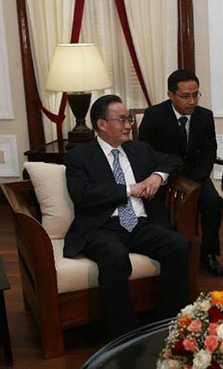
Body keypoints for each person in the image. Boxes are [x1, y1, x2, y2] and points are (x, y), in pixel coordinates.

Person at [64, 94, 191, 339]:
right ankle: (126, 336)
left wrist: (157, 176)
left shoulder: (138, 149)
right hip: (102, 227)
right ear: (102, 124)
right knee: (115, 256)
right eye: (122, 119)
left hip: (140, 224)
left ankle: (168, 325)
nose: (129, 124)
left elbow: (173, 160)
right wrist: (128, 190)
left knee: (179, 245)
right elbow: (82, 194)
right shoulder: (79, 157)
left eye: (129, 118)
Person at [139, 69, 223, 276]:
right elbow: (145, 151)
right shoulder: (154, 115)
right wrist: (165, 176)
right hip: (165, 176)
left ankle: (208, 253)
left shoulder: (204, 116)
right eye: (186, 96)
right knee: (160, 206)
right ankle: (170, 254)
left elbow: (209, 151)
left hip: (196, 176)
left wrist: (197, 180)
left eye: (196, 95)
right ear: (171, 95)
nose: (192, 101)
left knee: (213, 201)